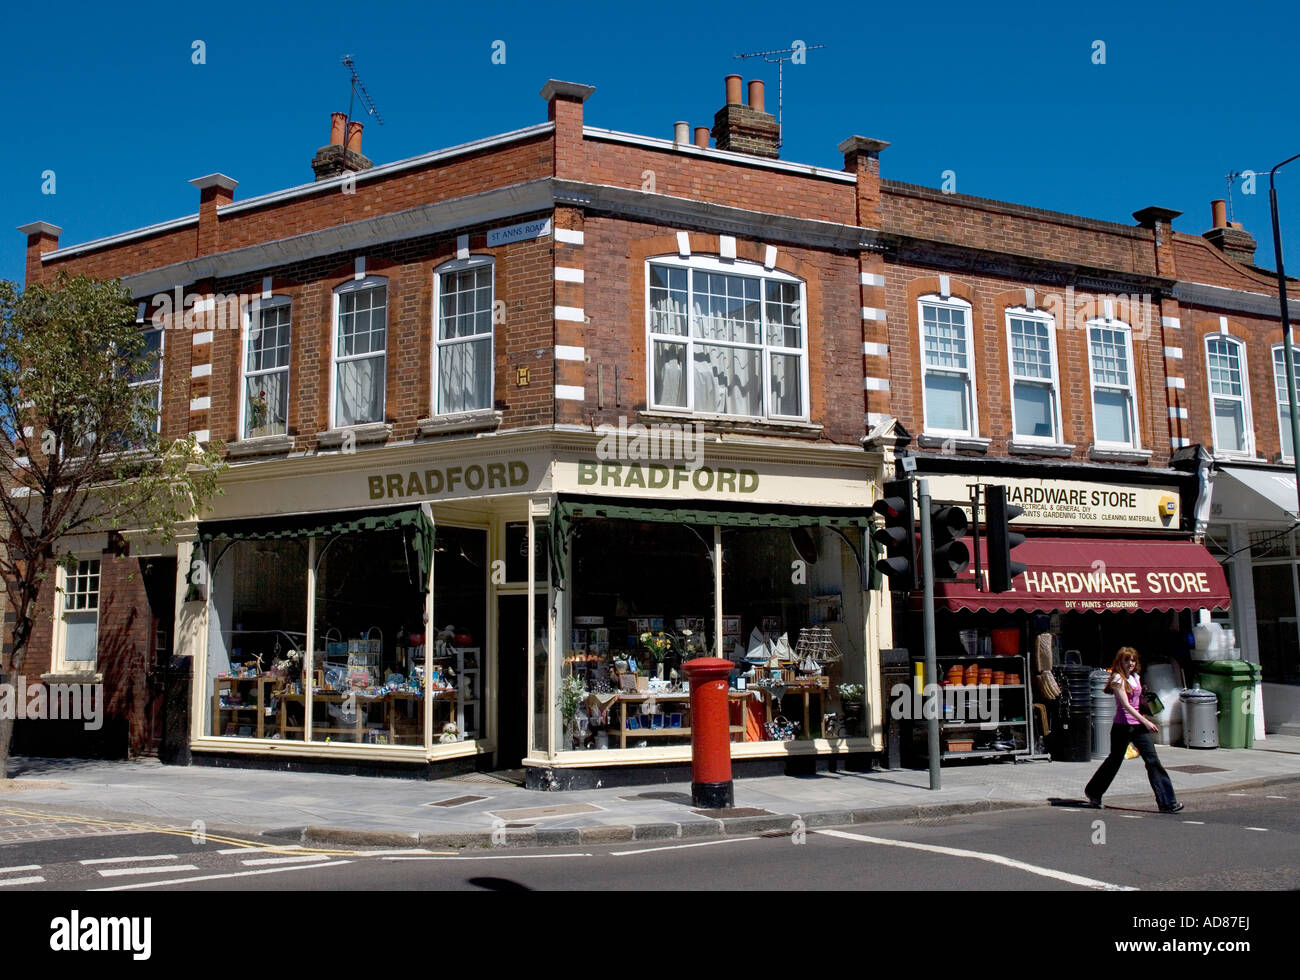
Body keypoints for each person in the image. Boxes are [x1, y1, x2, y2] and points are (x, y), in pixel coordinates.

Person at [1084, 647, 1184, 813]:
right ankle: (1094, 791)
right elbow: (1125, 705)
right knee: (1114, 761)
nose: (1130, 663)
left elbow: (1137, 701)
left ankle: (1167, 802)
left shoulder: (1135, 677)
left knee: (1152, 761)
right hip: (1122, 727)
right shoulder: (1117, 679)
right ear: (1119, 662)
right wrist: (1146, 721)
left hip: (1137, 727)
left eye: (1132, 660)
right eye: (1126, 660)